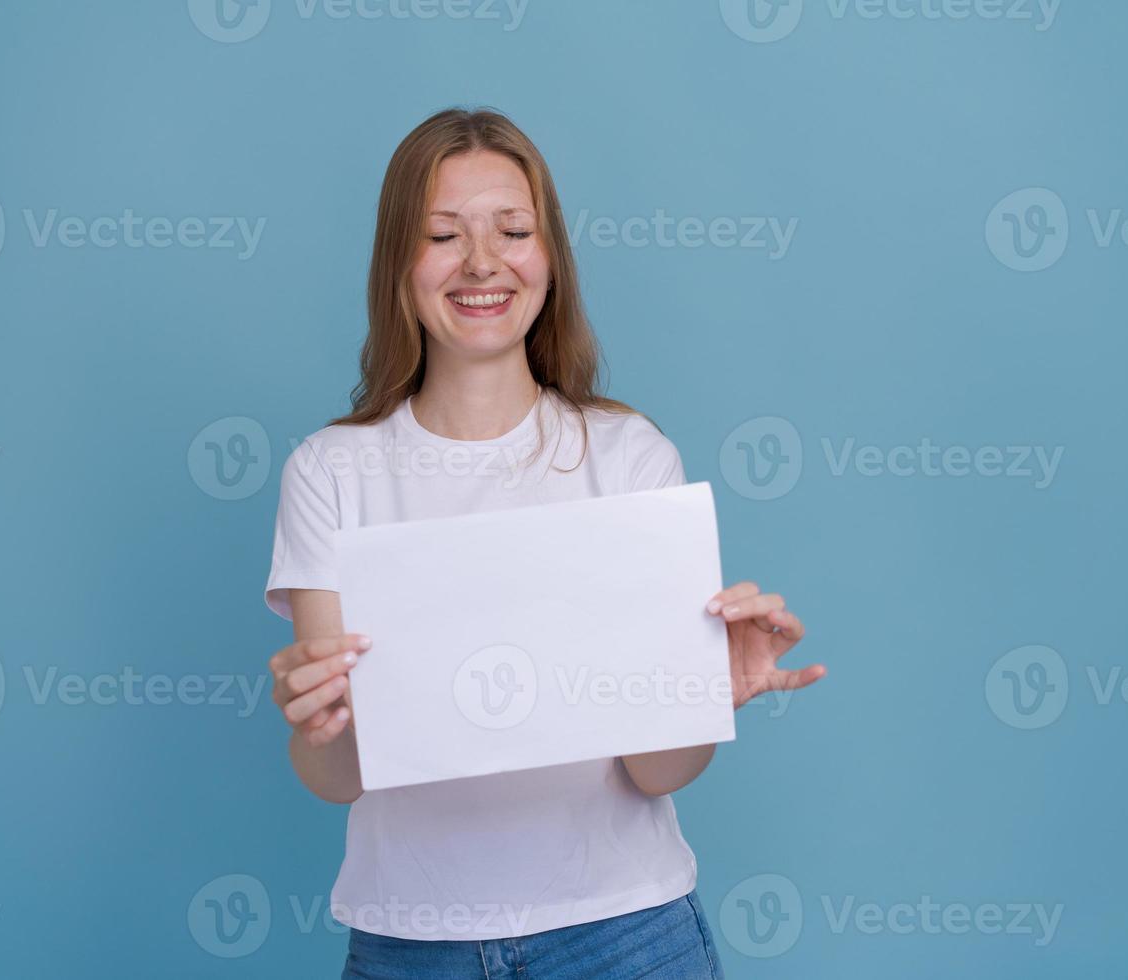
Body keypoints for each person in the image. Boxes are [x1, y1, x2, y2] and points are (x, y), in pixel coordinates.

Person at [263, 106, 825, 979]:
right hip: (411, 944)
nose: (482, 261)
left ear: (549, 258)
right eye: (444, 234)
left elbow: (655, 769)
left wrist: (709, 693)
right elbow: (338, 773)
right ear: (399, 266)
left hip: (623, 936)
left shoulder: (630, 457)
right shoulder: (332, 472)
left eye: (513, 230)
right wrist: (317, 723)